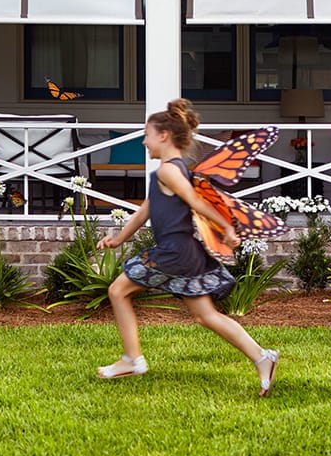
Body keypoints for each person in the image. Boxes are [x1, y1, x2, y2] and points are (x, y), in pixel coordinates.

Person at [96, 98, 279, 396]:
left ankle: (132, 359)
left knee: (118, 291)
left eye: (147, 135)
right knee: (205, 315)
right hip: (187, 252)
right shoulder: (173, 171)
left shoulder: (169, 171)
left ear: (163, 135)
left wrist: (227, 226)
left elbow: (195, 202)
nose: (145, 141)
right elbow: (146, 210)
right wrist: (119, 238)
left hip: (174, 251)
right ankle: (263, 357)